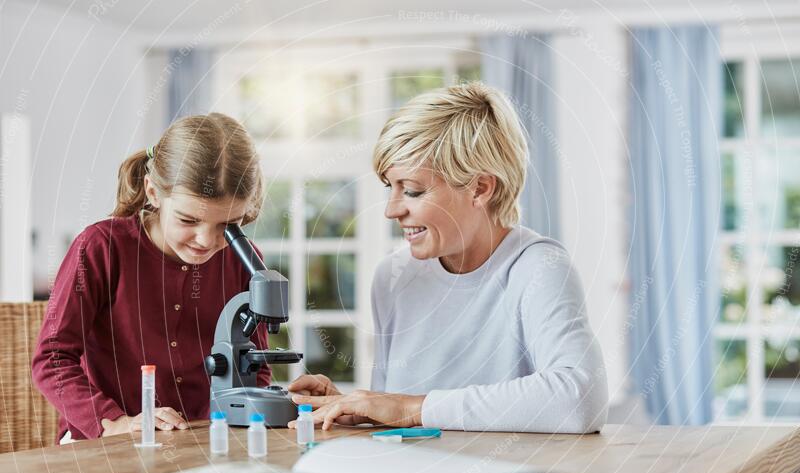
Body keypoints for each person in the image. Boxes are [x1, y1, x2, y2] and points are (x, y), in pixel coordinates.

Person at [288, 82, 608, 433]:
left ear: (480, 188)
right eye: (389, 188)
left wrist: (407, 407)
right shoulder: (393, 277)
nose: (392, 210)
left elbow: (580, 400)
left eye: (412, 190)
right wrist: (356, 408)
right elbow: (398, 414)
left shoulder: (536, 268)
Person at [32, 113, 271, 443]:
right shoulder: (101, 248)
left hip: (205, 439)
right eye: (188, 220)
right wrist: (112, 422)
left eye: (227, 225)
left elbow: (254, 366)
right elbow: (52, 358)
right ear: (153, 192)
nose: (205, 240)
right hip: (107, 442)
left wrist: (269, 405)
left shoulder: (244, 260)